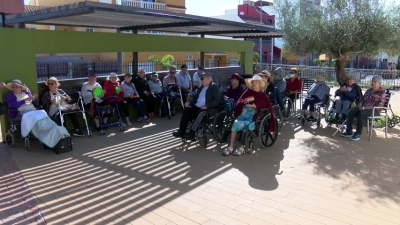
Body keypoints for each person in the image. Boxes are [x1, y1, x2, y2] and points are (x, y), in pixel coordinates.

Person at [5, 79, 70, 148]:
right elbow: (11, 105)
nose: (14, 88)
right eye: (13, 87)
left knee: (44, 116)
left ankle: (58, 132)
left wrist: (33, 99)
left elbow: (34, 104)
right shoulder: (10, 95)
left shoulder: (26, 93)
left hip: (33, 110)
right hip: (23, 112)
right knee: (37, 119)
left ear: (20, 87)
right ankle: (46, 137)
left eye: (16, 86)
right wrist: (24, 101)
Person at [223, 75, 275, 156]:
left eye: (256, 82)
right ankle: (230, 147)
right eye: (253, 82)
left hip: (254, 114)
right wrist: (244, 102)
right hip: (243, 112)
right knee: (235, 124)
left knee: (246, 124)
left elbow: (267, 106)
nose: (254, 83)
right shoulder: (247, 92)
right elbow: (239, 101)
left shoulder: (263, 95)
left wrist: (255, 106)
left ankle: (241, 147)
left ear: (260, 84)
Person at [172, 72, 221, 140]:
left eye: (202, 78)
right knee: (186, 110)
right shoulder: (201, 87)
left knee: (200, 113)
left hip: (208, 109)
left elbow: (217, 100)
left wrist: (207, 105)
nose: (201, 80)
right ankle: (181, 131)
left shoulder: (214, 87)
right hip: (196, 106)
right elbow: (195, 98)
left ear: (209, 79)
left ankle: (192, 133)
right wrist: (189, 102)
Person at [341, 75, 386, 141]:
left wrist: (366, 108)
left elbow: (380, 106)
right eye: (372, 81)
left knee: (362, 114)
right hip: (363, 108)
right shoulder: (369, 91)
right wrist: (360, 105)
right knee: (352, 111)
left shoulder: (381, 93)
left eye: (375, 82)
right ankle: (348, 131)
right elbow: (362, 100)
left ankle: (357, 134)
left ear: (379, 84)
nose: (373, 83)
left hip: (374, 110)